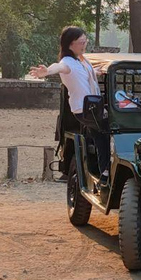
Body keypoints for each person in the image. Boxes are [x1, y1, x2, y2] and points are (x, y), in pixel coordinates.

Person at [30, 26, 110, 186]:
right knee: (105, 132)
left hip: (92, 107)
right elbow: (58, 67)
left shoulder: (81, 60)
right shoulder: (67, 62)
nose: (84, 44)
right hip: (84, 109)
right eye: (81, 42)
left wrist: (95, 71)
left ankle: (102, 168)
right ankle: (105, 173)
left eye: (85, 41)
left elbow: (83, 73)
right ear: (70, 44)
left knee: (102, 133)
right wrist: (45, 72)